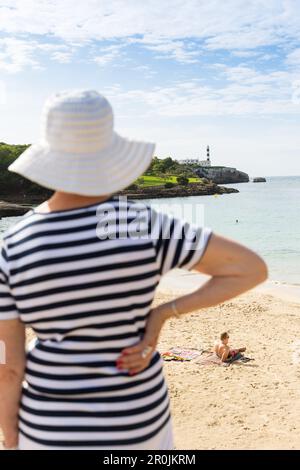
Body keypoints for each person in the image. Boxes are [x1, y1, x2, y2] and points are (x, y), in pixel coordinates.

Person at [0, 90, 268, 450]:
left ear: (50, 156)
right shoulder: (141, 225)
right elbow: (249, 269)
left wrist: (12, 438)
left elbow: (9, 367)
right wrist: (161, 315)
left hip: (49, 423)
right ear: (109, 154)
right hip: (136, 418)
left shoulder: (13, 246)